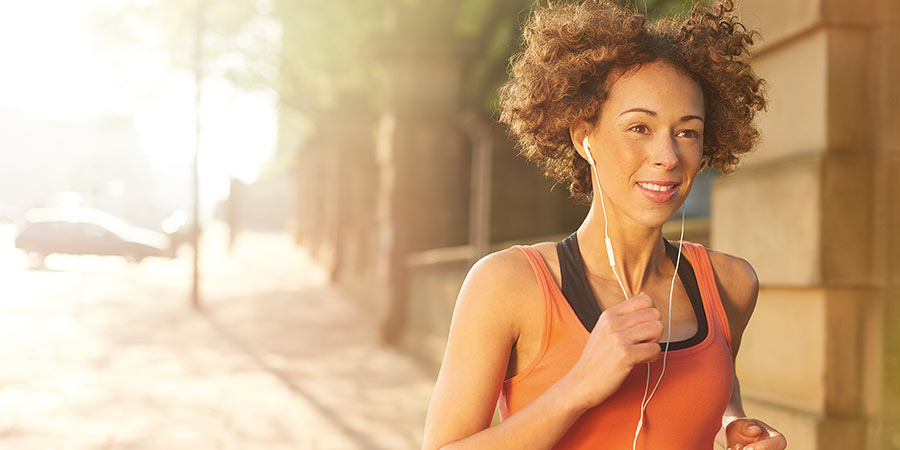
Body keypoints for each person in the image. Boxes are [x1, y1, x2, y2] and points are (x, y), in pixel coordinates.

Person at [422, 1, 788, 449]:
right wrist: (579, 387)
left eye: (687, 132)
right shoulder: (507, 285)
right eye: (639, 128)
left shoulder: (729, 284)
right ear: (584, 138)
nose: (668, 157)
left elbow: (714, 388)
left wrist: (735, 424)